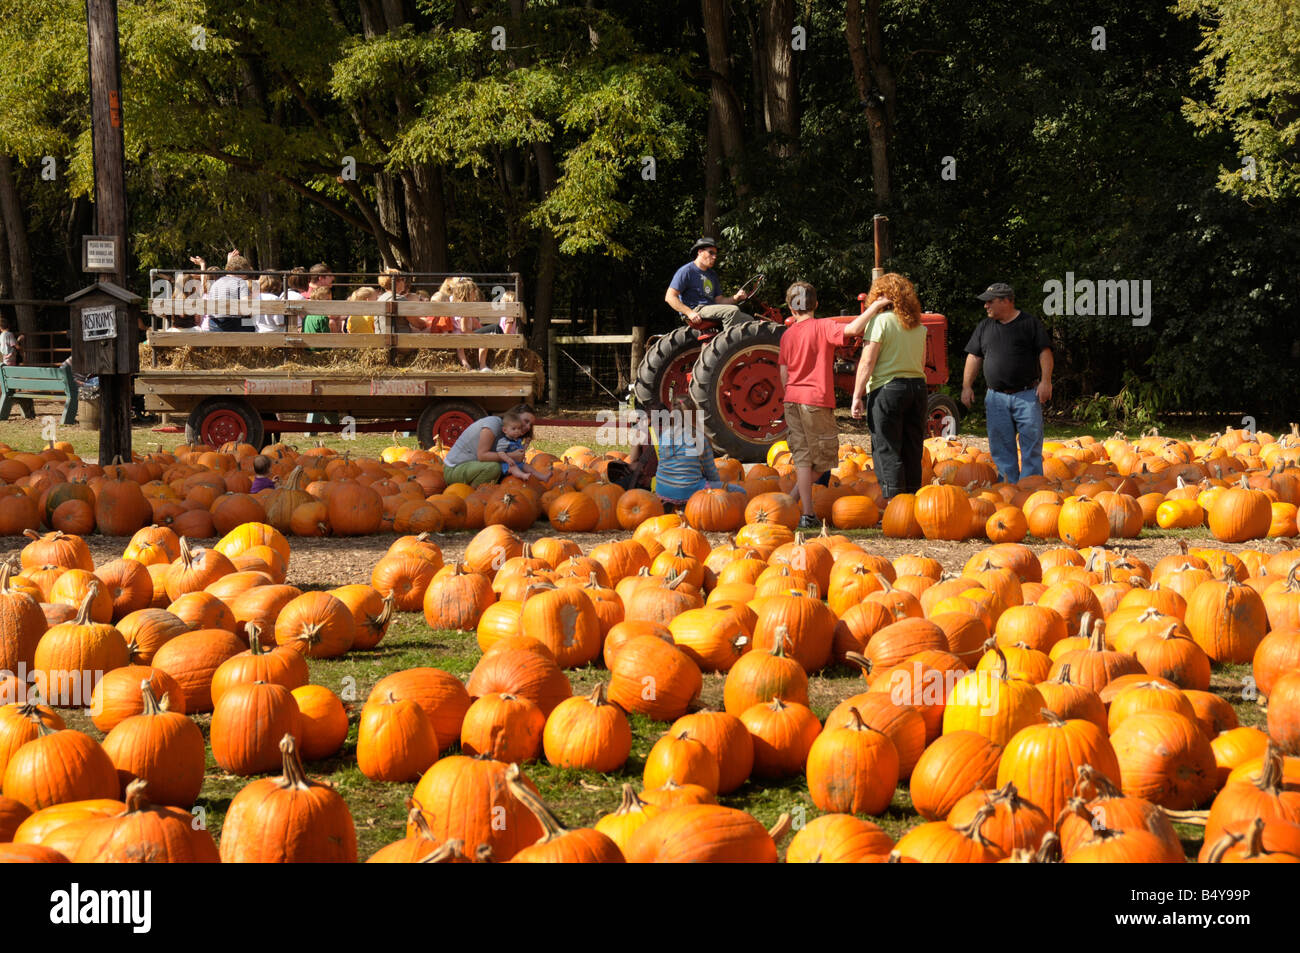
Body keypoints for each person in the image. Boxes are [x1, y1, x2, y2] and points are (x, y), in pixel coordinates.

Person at [779, 281, 879, 527]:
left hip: (792, 399)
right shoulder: (823, 326)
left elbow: (783, 373)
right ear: (816, 304)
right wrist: (874, 307)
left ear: (791, 309)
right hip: (816, 401)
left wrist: (791, 394)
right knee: (826, 459)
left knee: (803, 457)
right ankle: (794, 504)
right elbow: (854, 328)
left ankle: (803, 511)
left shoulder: (787, 334)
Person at [961, 282, 1054, 483]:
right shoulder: (984, 327)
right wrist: (966, 386)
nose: (986, 306)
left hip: (1027, 395)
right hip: (996, 397)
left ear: (1006, 301)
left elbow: (1044, 353)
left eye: (990, 301)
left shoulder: (1029, 323)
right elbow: (974, 357)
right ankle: (1008, 486)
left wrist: (1046, 382)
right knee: (1001, 446)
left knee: (1031, 444)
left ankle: (1030, 487)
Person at [849, 273, 929, 502]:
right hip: (917, 388)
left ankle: (894, 503)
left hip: (887, 389)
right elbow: (921, 363)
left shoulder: (880, 322)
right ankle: (913, 499)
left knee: (887, 447)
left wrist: (857, 396)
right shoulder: (918, 325)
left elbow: (867, 361)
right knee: (912, 446)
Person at [649, 395, 744, 511]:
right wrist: (716, 491)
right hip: (689, 491)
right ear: (694, 415)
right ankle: (685, 502)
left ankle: (672, 504)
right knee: (740, 491)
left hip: (662, 490)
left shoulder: (663, 436)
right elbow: (711, 472)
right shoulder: (698, 438)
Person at [441, 406, 550, 486]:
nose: (527, 427)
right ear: (515, 415)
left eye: (530, 425)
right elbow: (482, 456)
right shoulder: (493, 424)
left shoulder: (509, 435)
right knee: (494, 468)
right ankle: (474, 495)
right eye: (526, 421)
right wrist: (511, 456)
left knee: (513, 468)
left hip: (473, 468)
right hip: (454, 470)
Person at [664, 238, 751, 329]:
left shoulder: (712, 274)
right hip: (697, 310)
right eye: (711, 253)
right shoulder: (686, 271)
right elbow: (670, 297)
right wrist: (689, 313)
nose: (714, 257)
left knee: (749, 320)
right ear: (700, 252)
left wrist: (736, 297)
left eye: (715, 254)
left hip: (710, 309)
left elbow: (719, 301)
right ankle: (728, 342)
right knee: (732, 311)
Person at [207, 254, 254, 332]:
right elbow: (246, 307)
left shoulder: (216, 283)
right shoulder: (240, 282)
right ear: (242, 271)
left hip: (214, 324)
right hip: (232, 324)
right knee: (253, 323)